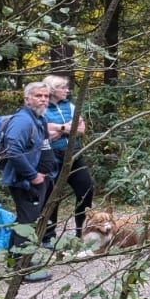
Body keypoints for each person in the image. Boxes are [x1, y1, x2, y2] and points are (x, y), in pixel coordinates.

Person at [0, 82, 56, 281]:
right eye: (38, 95)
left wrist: (47, 173)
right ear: (27, 99)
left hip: (38, 181)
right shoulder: (22, 121)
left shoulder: (39, 119)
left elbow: (44, 147)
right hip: (23, 182)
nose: (43, 99)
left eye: (46, 96)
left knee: (25, 221)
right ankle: (20, 272)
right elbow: (13, 151)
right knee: (27, 222)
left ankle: (17, 261)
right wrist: (33, 175)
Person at [42, 75, 94, 240]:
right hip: (51, 156)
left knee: (86, 190)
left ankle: (81, 232)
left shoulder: (70, 106)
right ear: (52, 89)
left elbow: (81, 130)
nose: (67, 90)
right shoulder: (42, 107)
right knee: (52, 195)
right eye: (63, 87)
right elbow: (45, 133)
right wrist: (67, 126)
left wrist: (57, 128)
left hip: (74, 154)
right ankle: (48, 236)